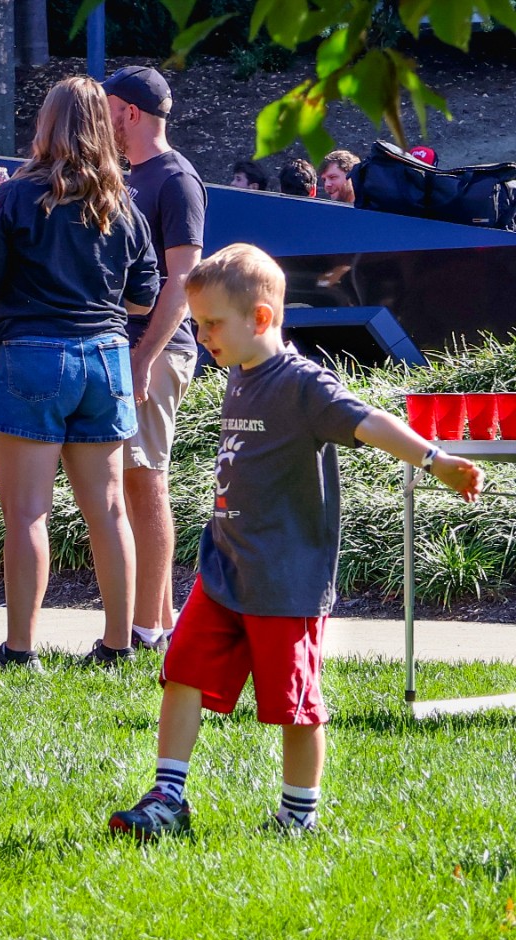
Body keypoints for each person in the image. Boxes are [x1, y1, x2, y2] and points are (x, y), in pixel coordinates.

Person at [107, 243, 484, 841]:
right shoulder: (240, 372)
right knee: (181, 672)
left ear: (260, 318)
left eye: (211, 324)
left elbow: (370, 421)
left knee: (295, 704)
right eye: (198, 323)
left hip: (286, 579)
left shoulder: (304, 385)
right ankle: (168, 797)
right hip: (225, 564)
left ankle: (298, 816)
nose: (203, 336)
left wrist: (433, 459)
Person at [0, 76, 160, 671]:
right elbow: (145, 295)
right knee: (109, 510)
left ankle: (20, 649)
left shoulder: (14, 196)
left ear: (45, 124)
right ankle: (119, 644)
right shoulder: (122, 202)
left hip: (30, 354)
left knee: (27, 513)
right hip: (105, 357)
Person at [104, 65, 207, 660]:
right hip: (123, 347)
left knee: (146, 480)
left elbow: (183, 279)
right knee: (130, 479)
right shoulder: (122, 174)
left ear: (131, 113)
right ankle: (159, 621)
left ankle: (146, 633)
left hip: (159, 351)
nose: (103, 119)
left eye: (109, 108)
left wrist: (145, 356)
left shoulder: (176, 179)